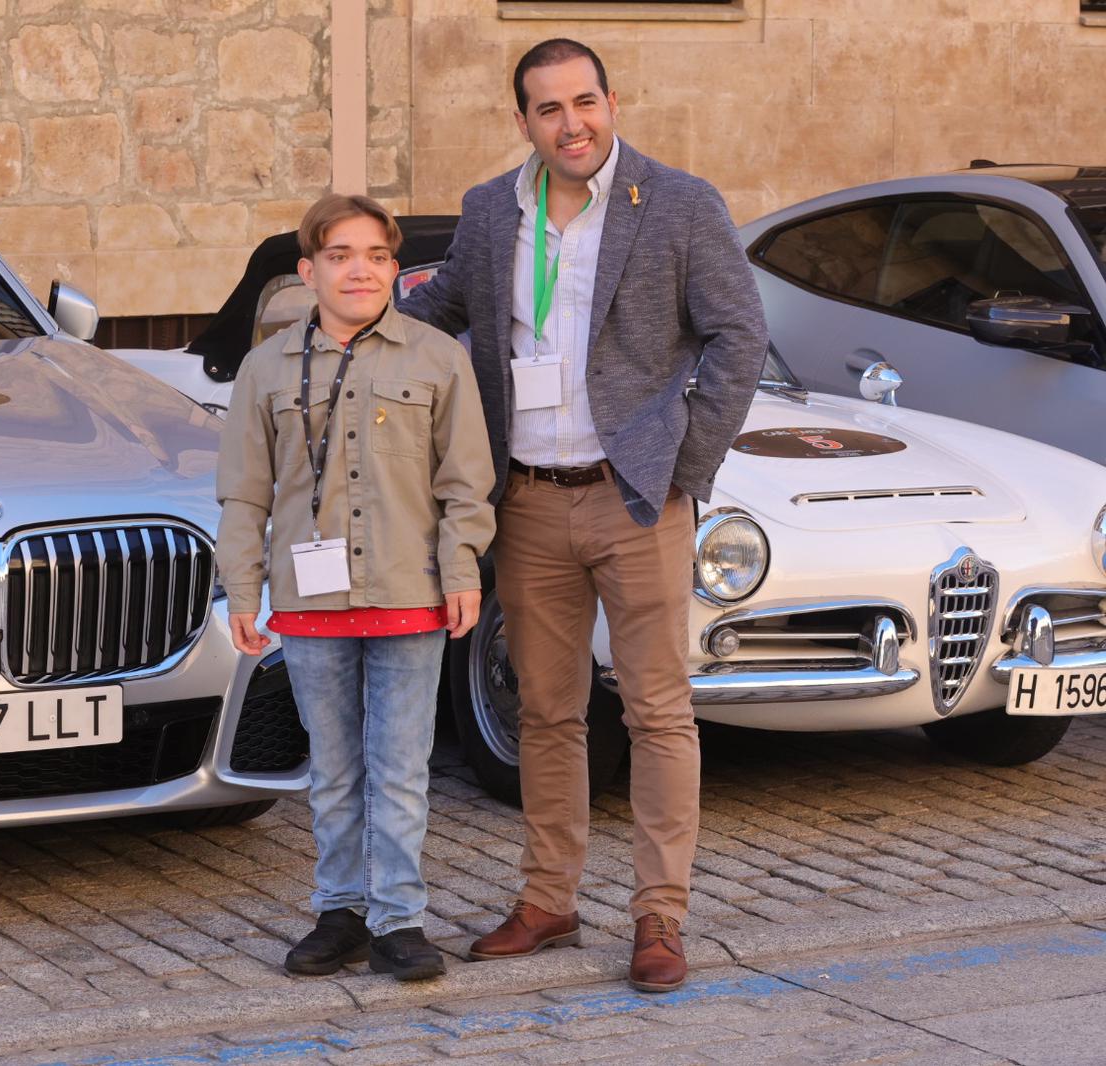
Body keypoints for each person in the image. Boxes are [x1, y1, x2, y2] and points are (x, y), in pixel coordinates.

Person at [399, 38, 768, 992]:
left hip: (637, 495)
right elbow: (439, 310)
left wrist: (688, 462)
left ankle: (659, 919)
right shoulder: (490, 213)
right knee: (546, 712)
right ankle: (548, 900)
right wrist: (343, 320)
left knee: (657, 712)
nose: (572, 124)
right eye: (549, 109)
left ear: (613, 100)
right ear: (521, 120)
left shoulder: (680, 203)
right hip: (526, 499)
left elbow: (740, 335)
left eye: (585, 102)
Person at [215, 193, 495, 982]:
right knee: (334, 769)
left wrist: (463, 567)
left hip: (410, 590)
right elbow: (245, 490)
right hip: (309, 605)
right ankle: (339, 913)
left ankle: (399, 919)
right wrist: (242, 591)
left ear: (394, 270)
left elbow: (466, 483)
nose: (359, 269)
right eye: (340, 255)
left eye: (376, 255)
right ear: (309, 271)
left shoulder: (438, 358)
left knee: (401, 768)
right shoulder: (265, 368)